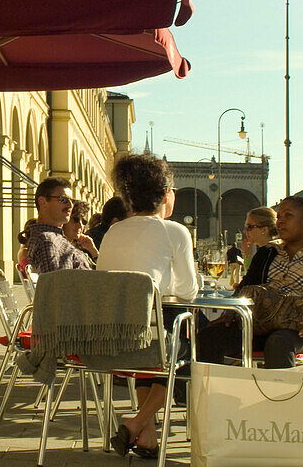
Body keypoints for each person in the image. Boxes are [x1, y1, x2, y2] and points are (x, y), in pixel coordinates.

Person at [96, 155, 197, 459]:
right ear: (167, 194)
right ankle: (137, 422)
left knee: (152, 344)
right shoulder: (175, 231)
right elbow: (189, 291)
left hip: (108, 340)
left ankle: (148, 437)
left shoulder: (113, 232)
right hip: (146, 340)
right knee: (183, 348)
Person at [197, 196, 303, 369]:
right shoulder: (267, 254)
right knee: (208, 336)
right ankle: (212, 392)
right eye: (279, 217)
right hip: (259, 325)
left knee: (278, 342)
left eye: (288, 216)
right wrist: (232, 311)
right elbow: (245, 287)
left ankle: (281, 394)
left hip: (302, 331)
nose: (280, 222)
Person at [23, 178, 94, 273]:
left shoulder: (55, 239)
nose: (70, 205)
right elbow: (55, 284)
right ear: (43, 202)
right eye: (63, 199)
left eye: (71, 201)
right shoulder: (47, 240)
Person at [241, 206, 277, 273]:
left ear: (264, 230)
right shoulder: (267, 251)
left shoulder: (270, 254)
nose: (245, 231)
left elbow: (253, 280)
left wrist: (248, 257)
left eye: (249, 227)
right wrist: (247, 255)